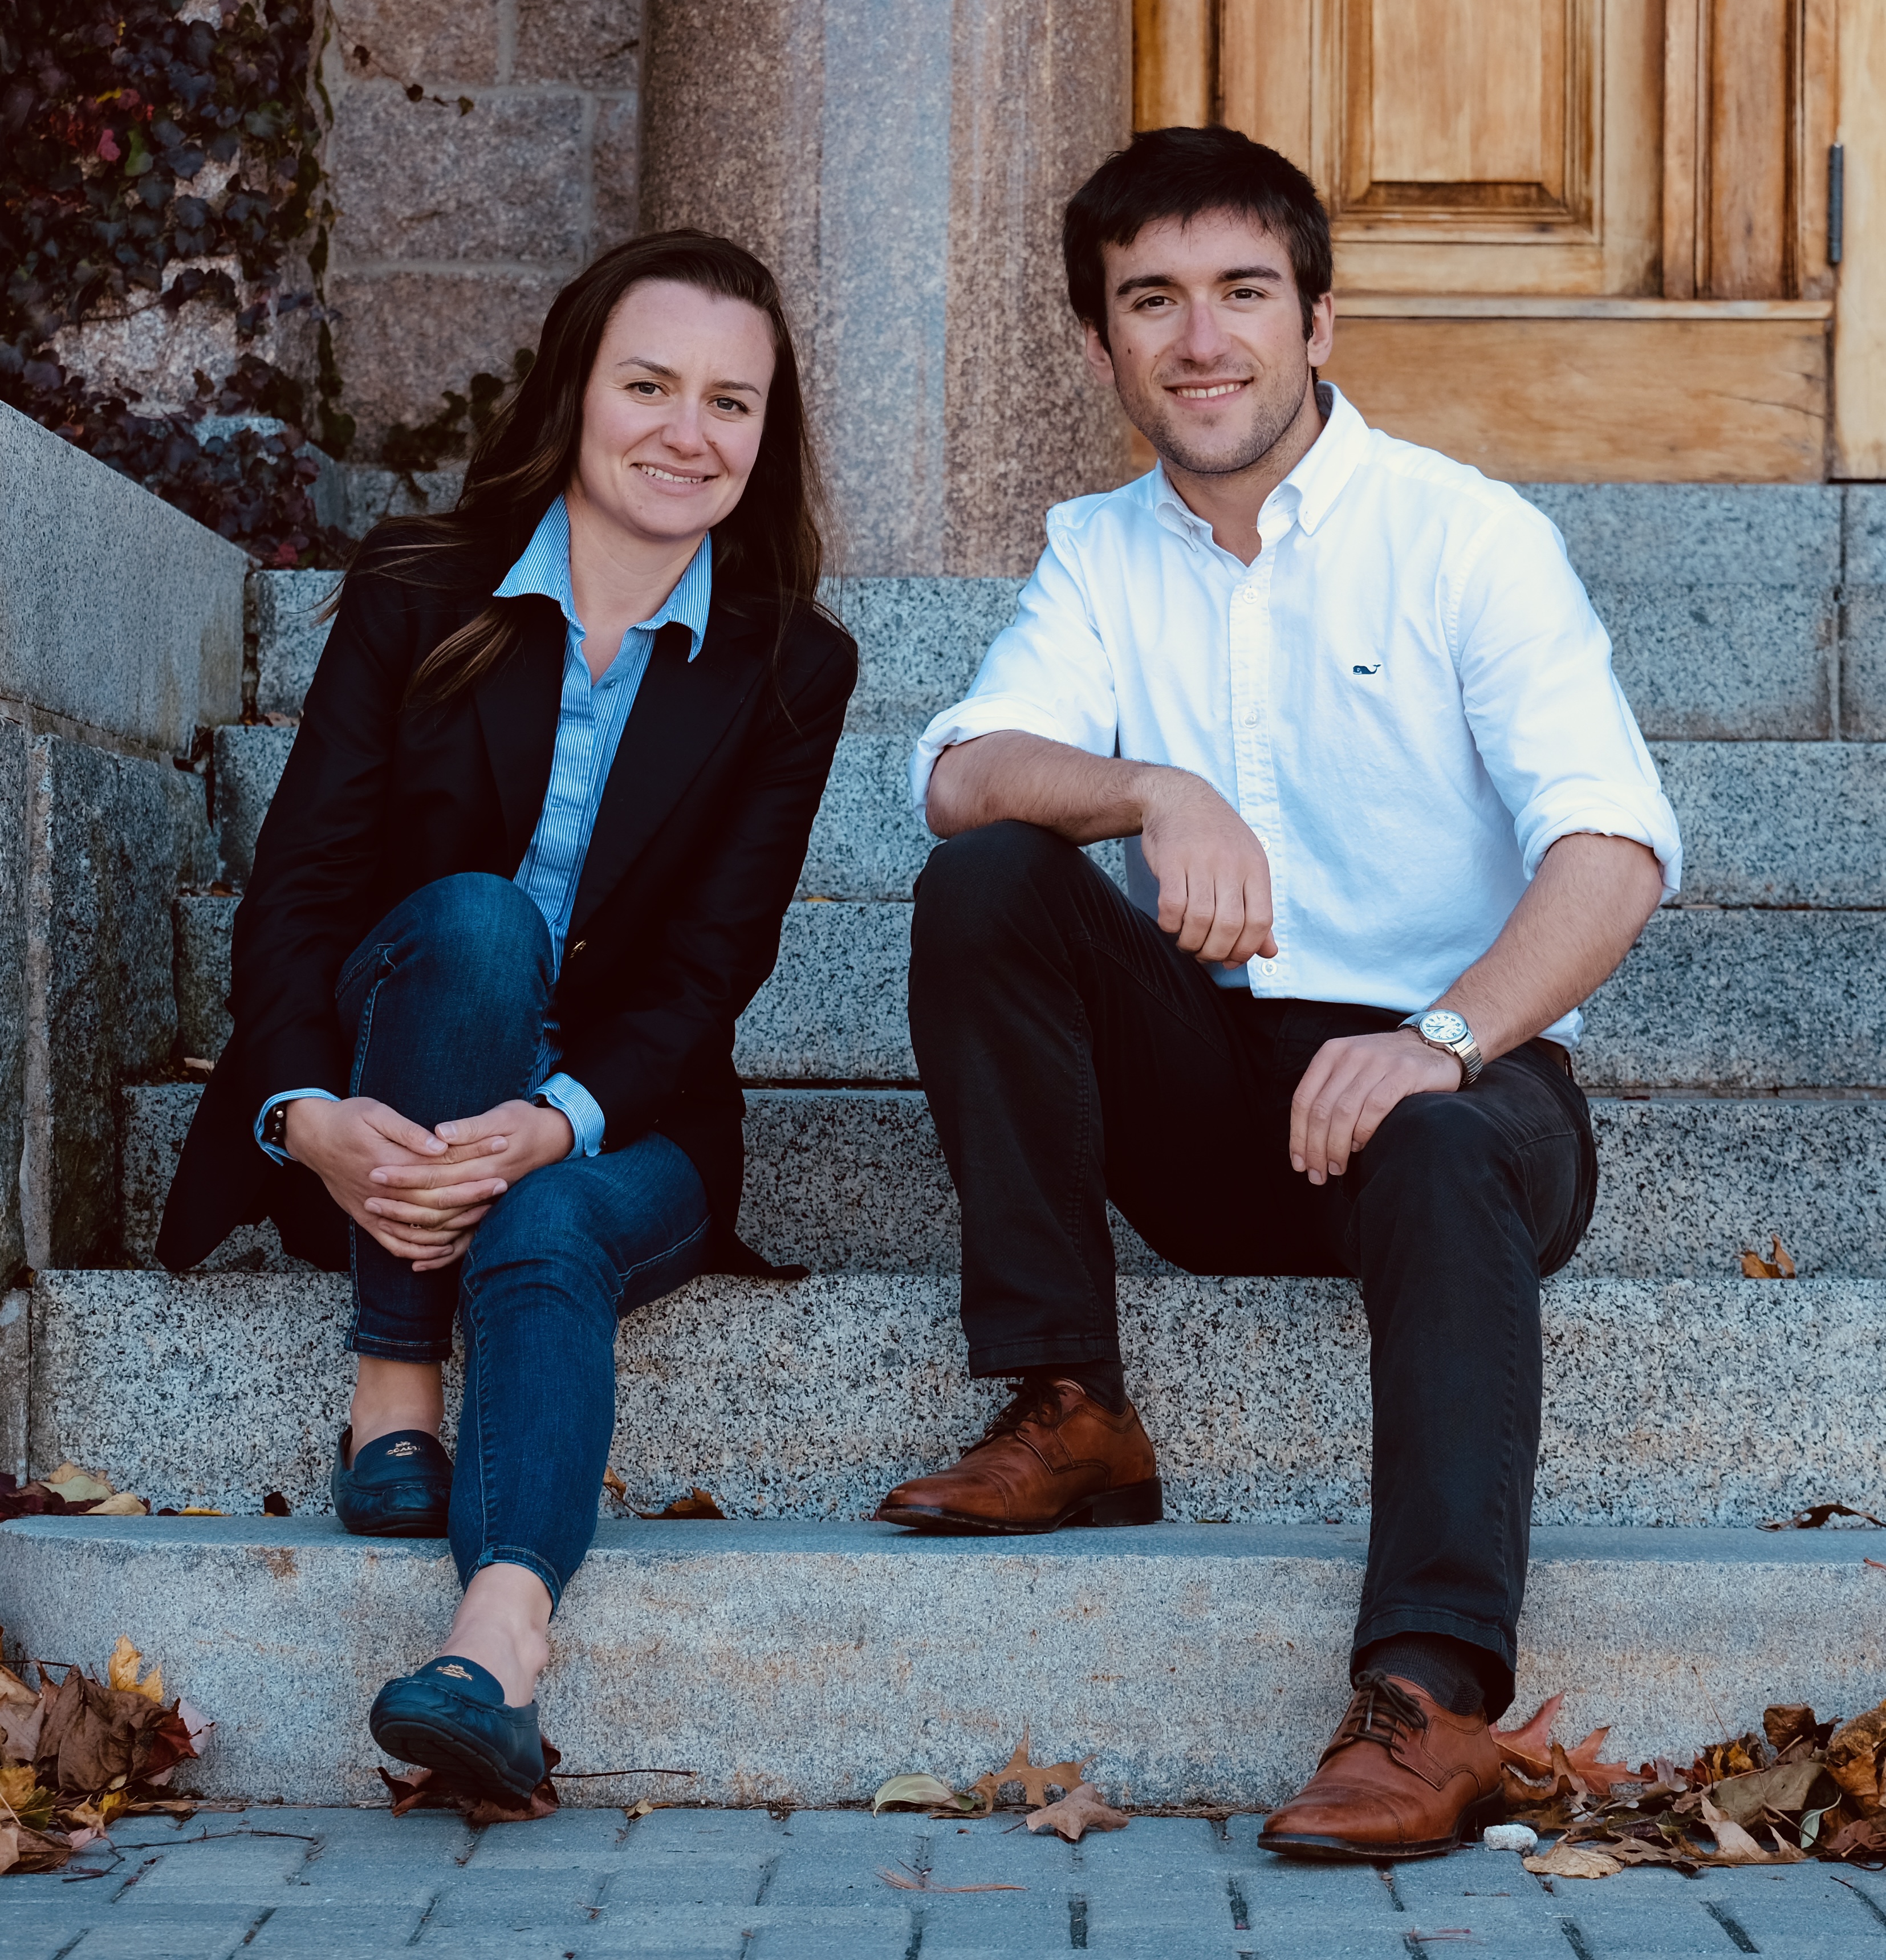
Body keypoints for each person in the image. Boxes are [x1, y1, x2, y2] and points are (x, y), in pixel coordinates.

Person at [873, 126, 1680, 1860]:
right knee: (991, 875)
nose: (1200, 337)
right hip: (1215, 1087)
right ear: (1099, 349)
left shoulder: (1466, 537)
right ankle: (1071, 1404)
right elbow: (957, 774)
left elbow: (1611, 848)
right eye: (1149, 301)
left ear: (1318, 322)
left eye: (1242, 291)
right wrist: (1154, 791)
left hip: (1461, 1083)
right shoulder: (1096, 551)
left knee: (1449, 1146)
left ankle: (1426, 1697)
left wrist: (1438, 1037)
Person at [158, 230, 856, 1804]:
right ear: (575, 390)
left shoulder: (790, 667)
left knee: (547, 1223)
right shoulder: (419, 584)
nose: (690, 433)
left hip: (628, 1115)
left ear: (768, 434)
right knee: (477, 921)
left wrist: (559, 1117)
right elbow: (299, 894)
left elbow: (708, 971)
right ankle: (395, 1373)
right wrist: (306, 1117)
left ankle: (496, 1640)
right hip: (394, 1075)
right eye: (651, 385)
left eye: (732, 404)